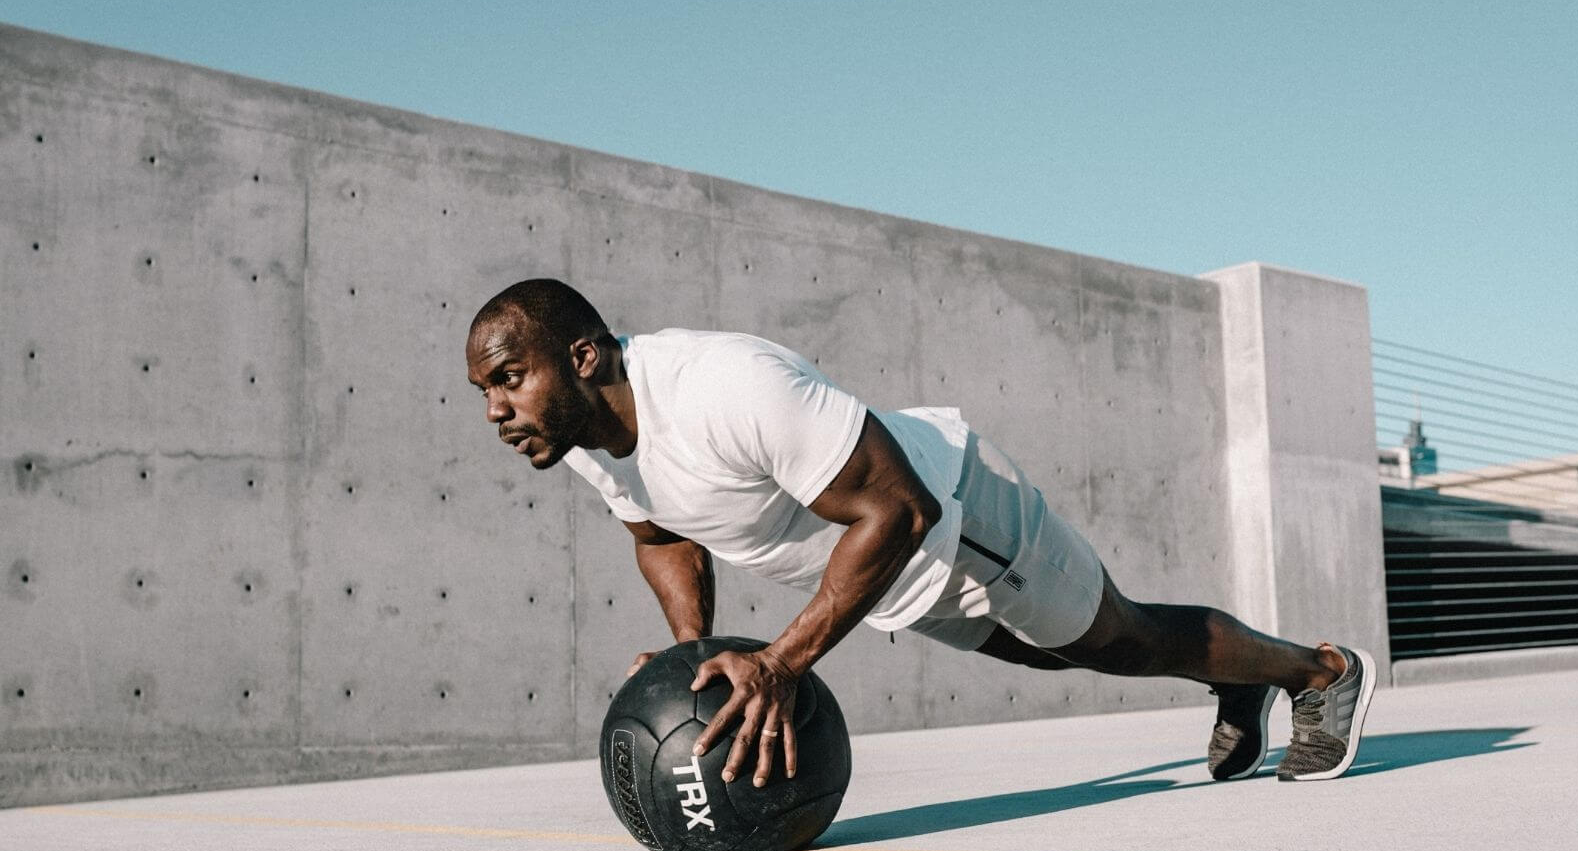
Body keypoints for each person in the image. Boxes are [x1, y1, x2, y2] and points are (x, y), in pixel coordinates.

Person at [464, 278, 1376, 792]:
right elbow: (660, 530)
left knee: (1119, 639)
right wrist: (693, 659)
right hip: (885, 573)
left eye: (509, 380)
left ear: (583, 358)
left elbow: (898, 511)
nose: (499, 411)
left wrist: (780, 665)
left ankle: (1320, 673)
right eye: (485, 396)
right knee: (1055, 656)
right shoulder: (583, 436)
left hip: (953, 514)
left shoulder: (723, 385)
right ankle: (1231, 672)